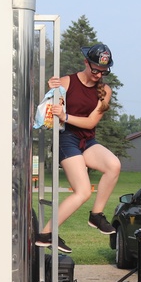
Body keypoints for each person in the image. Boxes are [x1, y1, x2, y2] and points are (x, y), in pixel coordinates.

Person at [35, 43, 122, 254]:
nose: (99, 75)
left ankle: (97, 215)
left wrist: (65, 115)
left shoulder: (105, 91)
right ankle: (46, 234)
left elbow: (91, 123)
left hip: (87, 140)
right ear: (86, 63)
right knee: (82, 192)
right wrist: (51, 88)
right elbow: (44, 109)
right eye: (95, 70)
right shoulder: (67, 81)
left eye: (104, 71)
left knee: (114, 165)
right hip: (67, 140)